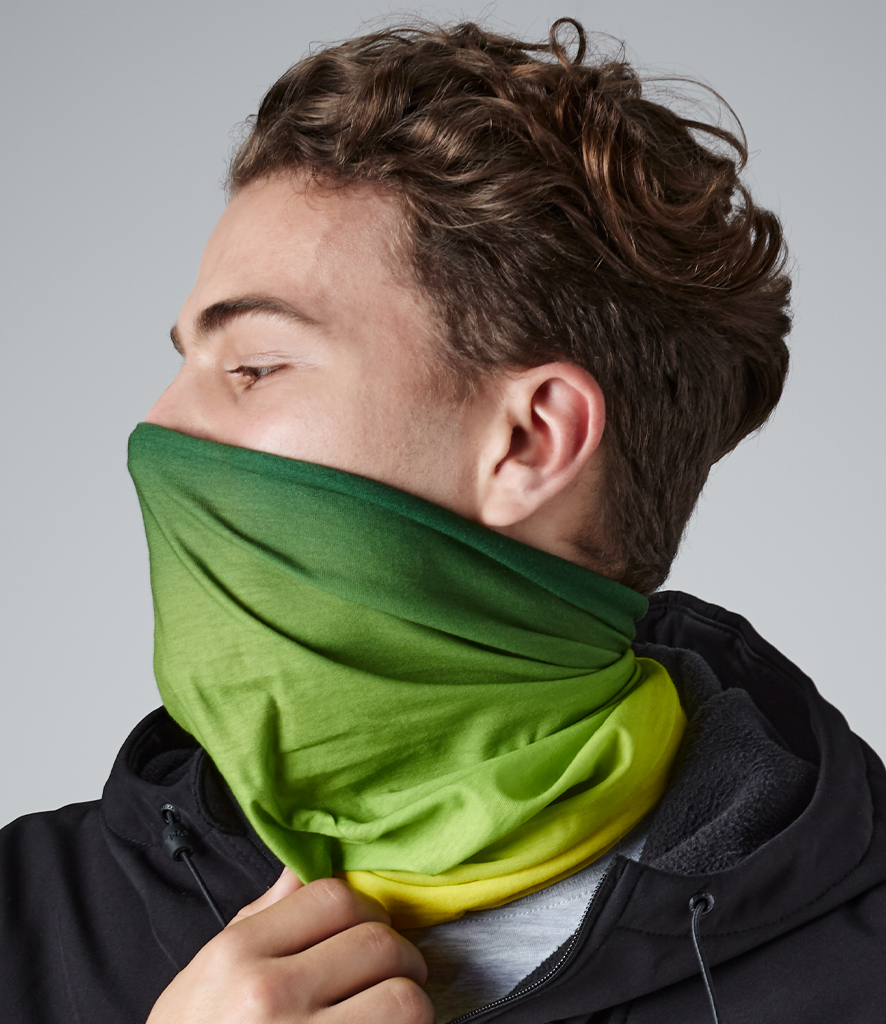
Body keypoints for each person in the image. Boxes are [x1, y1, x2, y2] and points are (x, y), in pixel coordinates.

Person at [2, 17, 884, 1024]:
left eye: (253, 365)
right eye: (184, 363)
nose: (159, 429)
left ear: (531, 441)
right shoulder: (25, 920)